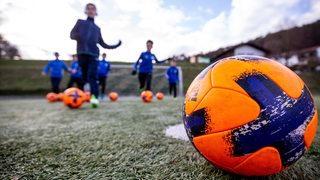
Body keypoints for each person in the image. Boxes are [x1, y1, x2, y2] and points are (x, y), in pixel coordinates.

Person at [70, 3, 121, 108]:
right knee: (84, 77)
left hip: (93, 54)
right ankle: (83, 94)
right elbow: (72, 35)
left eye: (93, 9)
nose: (90, 10)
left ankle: (94, 98)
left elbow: (103, 44)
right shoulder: (80, 23)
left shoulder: (97, 29)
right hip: (81, 53)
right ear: (85, 11)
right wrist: (80, 36)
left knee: (92, 75)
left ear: (96, 12)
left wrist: (116, 45)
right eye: (88, 9)